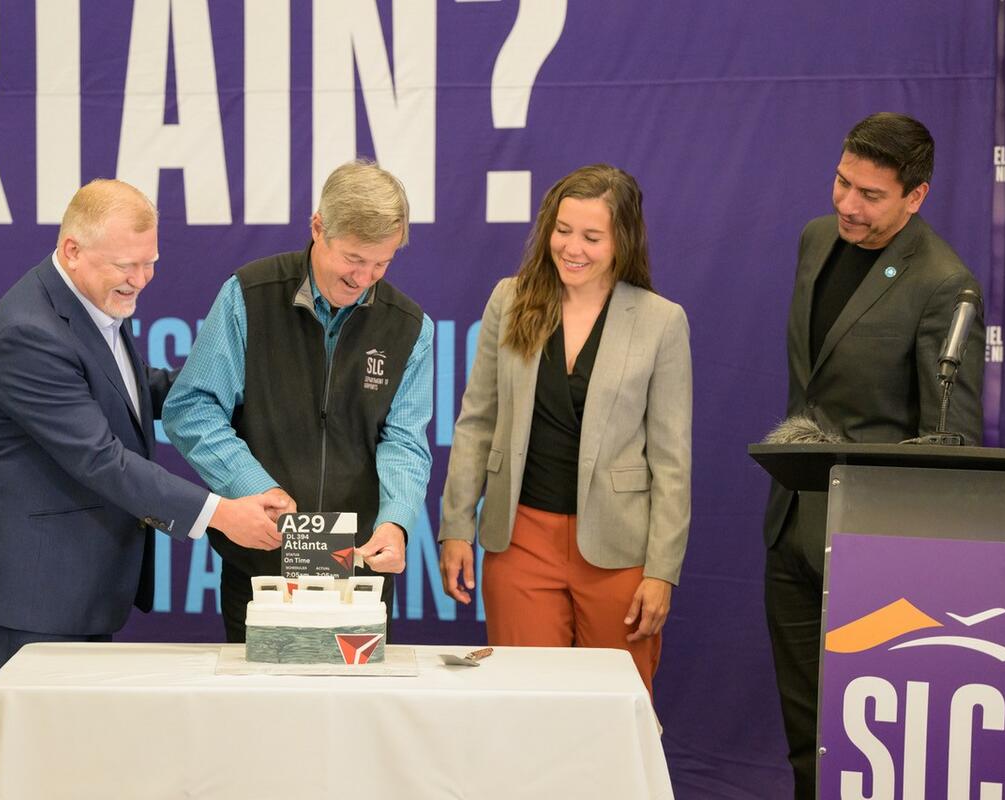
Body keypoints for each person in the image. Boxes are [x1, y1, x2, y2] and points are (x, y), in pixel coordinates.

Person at [0, 179, 286, 707]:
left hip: (79, 588)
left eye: (150, 262)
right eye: (126, 265)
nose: (141, 279)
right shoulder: (28, 333)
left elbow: (127, 390)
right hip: (29, 596)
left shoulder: (88, 299)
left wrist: (220, 391)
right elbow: (101, 458)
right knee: (33, 772)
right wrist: (221, 514)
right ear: (72, 251)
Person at [763, 112, 984, 799]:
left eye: (870, 195)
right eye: (841, 181)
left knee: (868, 753)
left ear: (915, 197)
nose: (847, 205)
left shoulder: (946, 283)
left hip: (877, 548)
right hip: (791, 527)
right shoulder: (815, 239)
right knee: (806, 740)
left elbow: (951, 444)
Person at [438, 164, 692, 693]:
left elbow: (672, 460)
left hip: (620, 552)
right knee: (527, 705)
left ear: (622, 240)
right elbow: (476, 422)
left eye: (592, 236)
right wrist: (457, 525)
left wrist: (661, 570)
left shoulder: (661, 321)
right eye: (562, 230)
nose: (572, 247)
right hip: (520, 542)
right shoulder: (509, 301)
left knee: (617, 710)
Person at [162, 159, 434, 642]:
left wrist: (395, 523)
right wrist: (254, 486)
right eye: (353, 258)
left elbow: (405, 441)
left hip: (359, 570)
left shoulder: (410, 327)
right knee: (261, 713)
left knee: (351, 713)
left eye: (382, 263)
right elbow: (193, 407)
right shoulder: (249, 296)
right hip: (261, 566)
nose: (365, 278)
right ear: (318, 228)